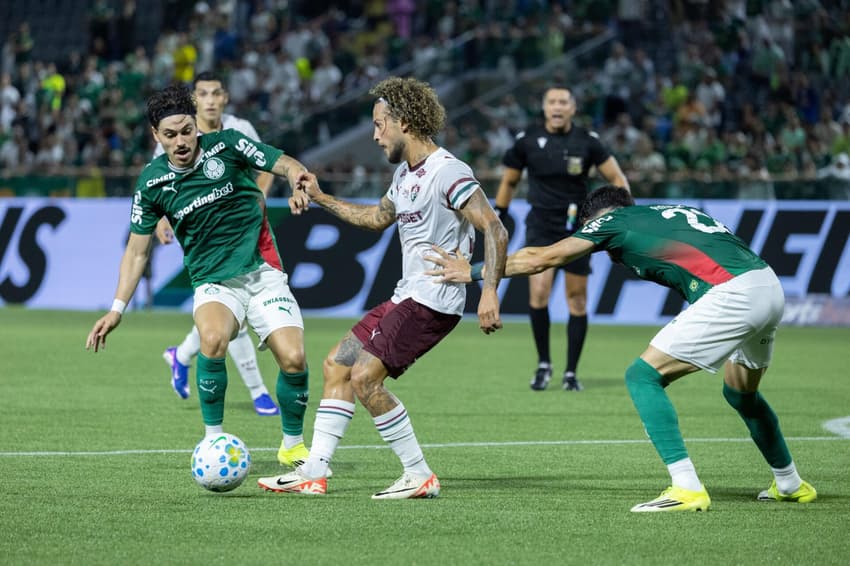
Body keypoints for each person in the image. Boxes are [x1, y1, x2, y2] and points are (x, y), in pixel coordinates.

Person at [427, 185, 817, 512]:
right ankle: (790, 483)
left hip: (730, 293)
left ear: (594, 219)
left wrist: (475, 271)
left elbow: (542, 258)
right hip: (767, 286)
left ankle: (686, 487)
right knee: (741, 393)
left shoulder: (609, 221)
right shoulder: (671, 210)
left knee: (643, 375)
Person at [257, 76, 508, 499]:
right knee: (337, 363)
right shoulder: (405, 176)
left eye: (379, 125)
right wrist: (321, 198)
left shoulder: (448, 172)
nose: (375, 136)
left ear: (404, 121)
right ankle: (313, 470)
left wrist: (488, 290)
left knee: (365, 377)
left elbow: (495, 229)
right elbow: (375, 219)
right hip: (405, 296)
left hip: (433, 301)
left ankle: (418, 474)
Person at [85, 83, 316, 468]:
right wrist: (117, 308)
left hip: (262, 272)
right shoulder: (152, 183)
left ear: (196, 125)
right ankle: (213, 442)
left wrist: (298, 178)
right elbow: (137, 250)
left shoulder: (228, 144)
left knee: (293, 359)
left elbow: (284, 163)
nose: (181, 141)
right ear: (156, 136)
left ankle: (292, 445)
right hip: (213, 281)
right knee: (211, 339)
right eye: (170, 135)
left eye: (187, 131)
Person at [156, 71, 280, 418]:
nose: (209, 100)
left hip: (241, 228)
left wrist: (258, 199)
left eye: (215, 93)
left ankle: (180, 356)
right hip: (201, 230)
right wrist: (162, 221)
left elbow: (266, 165)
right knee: (229, 306)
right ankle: (257, 392)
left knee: (227, 306)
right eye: (203, 94)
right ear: (194, 100)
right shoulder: (178, 129)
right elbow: (158, 182)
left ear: (225, 98)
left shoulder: (239, 129)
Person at [494, 86, 629, 392]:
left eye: (563, 102)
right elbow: (510, 181)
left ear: (572, 107)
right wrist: (498, 217)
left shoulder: (588, 141)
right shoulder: (526, 140)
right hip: (541, 224)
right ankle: (544, 364)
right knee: (538, 293)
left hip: (578, 227)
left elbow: (618, 179)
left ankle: (571, 372)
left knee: (576, 298)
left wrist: (621, 213)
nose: (557, 107)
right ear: (544, 108)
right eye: (552, 102)